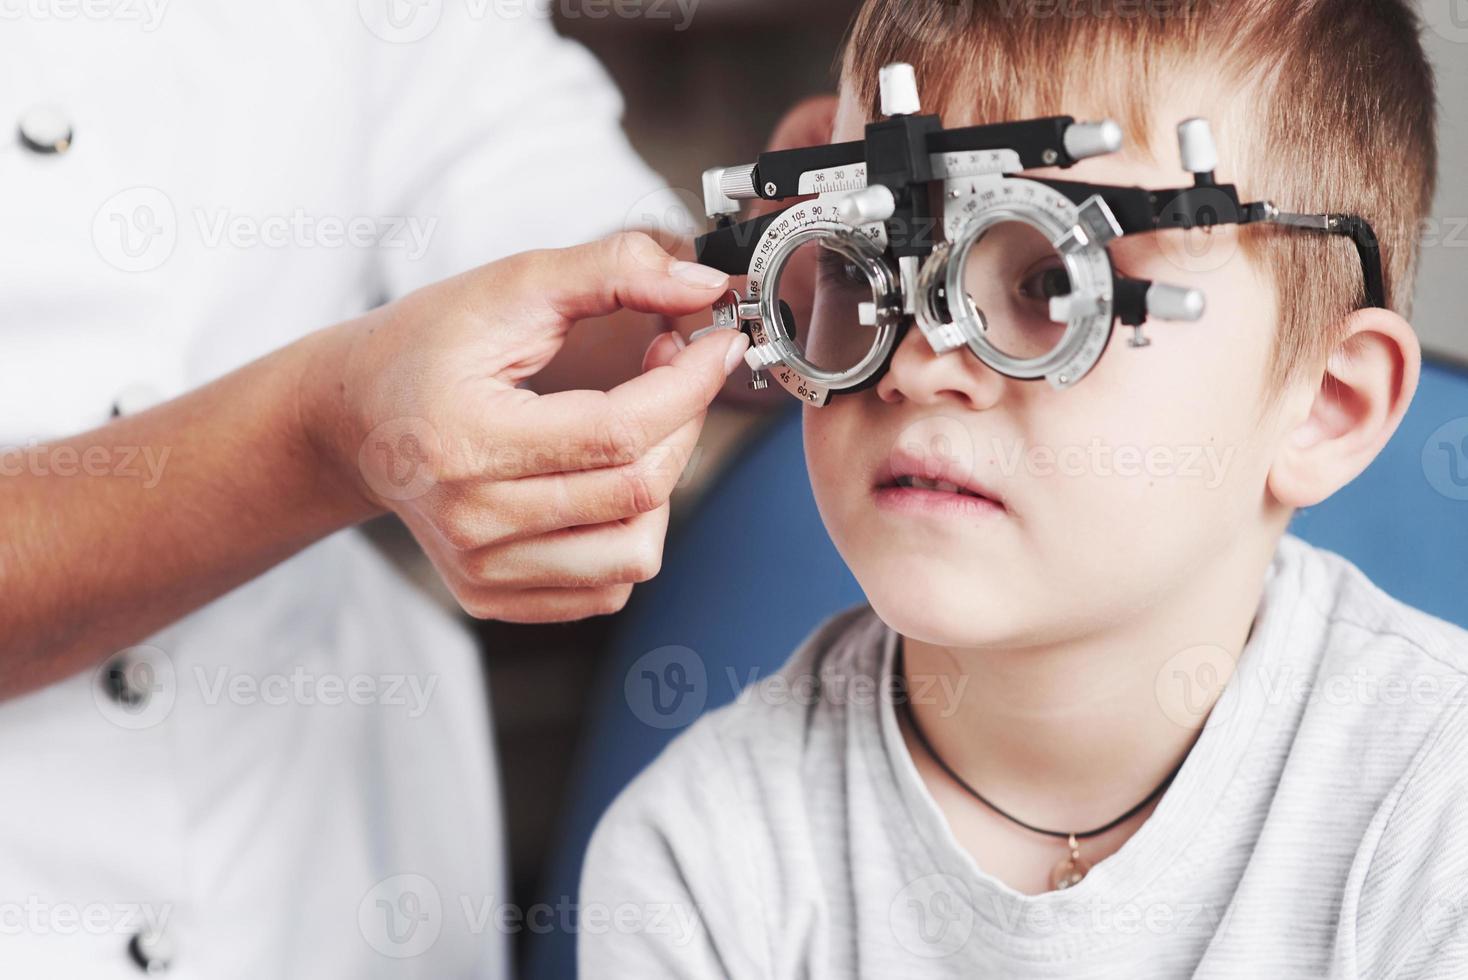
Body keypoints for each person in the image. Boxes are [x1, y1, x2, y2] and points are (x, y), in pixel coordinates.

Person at [580, 1, 1468, 976]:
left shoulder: (1433, 815)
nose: (918, 364)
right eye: (857, 264)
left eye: (1052, 283)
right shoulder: (707, 855)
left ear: (1323, 407)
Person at [0, 3, 803, 975]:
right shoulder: (703, 845)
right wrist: (322, 442)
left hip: (325, 884)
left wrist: (776, 275)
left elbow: (547, 235)